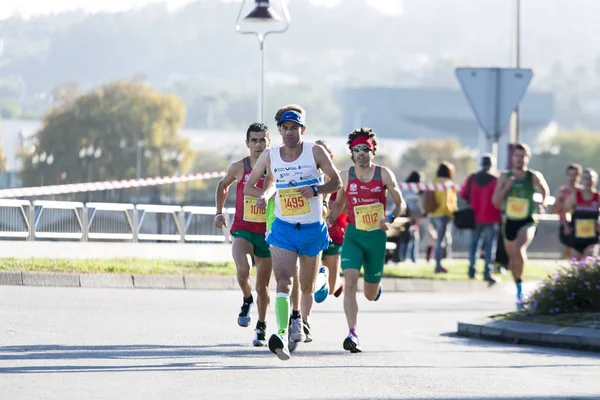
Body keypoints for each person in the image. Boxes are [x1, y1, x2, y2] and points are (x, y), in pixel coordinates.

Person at [244, 107, 342, 360]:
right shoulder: (270, 156)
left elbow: (337, 182)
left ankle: (323, 275)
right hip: (284, 228)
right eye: (285, 128)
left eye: (294, 127)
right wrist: (266, 194)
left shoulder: (315, 151)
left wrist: (316, 189)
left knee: (307, 288)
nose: (289, 132)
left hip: (310, 229)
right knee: (284, 281)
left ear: (303, 129)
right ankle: (281, 334)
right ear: (279, 130)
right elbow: (248, 187)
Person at [327, 127, 405, 353]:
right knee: (350, 281)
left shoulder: (384, 175)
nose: (361, 153)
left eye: (365, 149)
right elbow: (339, 204)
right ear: (351, 153)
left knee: (370, 295)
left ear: (372, 152)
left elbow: (401, 204)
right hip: (353, 235)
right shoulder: (345, 177)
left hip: (376, 238)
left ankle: (375, 287)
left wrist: (389, 217)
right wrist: (330, 219)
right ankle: (353, 333)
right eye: (357, 149)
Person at [214, 122, 272, 347]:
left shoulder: (275, 168)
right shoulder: (239, 167)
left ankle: (261, 326)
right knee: (243, 269)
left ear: (269, 142)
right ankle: (247, 298)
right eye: (254, 140)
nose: (258, 145)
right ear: (247, 143)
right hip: (243, 229)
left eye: (262, 140)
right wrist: (219, 213)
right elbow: (222, 185)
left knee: (263, 286)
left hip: (267, 233)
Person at [492, 143, 549, 310]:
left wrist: (543, 203)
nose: (519, 159)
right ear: (513, 158)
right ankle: (518, 287)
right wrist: (507, 187)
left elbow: (545, 190)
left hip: (527, 220)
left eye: (523, 156)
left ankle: (521, 292)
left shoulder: (533, 176)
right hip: (509, 221)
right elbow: (495, 201)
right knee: (512, 260)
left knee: (519, 248)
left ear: (527, 158)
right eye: (517, 156)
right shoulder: (504, 176)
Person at [461, 154, 502, 285]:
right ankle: (487, 272)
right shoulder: (496, 180)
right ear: (491, 165)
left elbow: (463, 194)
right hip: (492, 216)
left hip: (475, 216)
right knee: (490, 246)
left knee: (474, 244)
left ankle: (471, 270)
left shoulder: (472, 178)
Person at [315, 139, 346, 299]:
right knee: (313, 276)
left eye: (325, 153)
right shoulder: (307, 176)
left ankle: (337, 282)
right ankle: (321, 276)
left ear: (331, 157)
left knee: (332, 288)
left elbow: (348, 207)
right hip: (313, 231)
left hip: (335, 233)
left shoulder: (340, 179)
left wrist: (334, 205)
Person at [428, 162, 458, 273]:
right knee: (440, 241)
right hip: (443, 215)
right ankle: (438, 266)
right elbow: (448, 202)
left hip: (432, 214)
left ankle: (438, 263)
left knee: (438, 240)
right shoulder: (448, 183)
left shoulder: (433, 182)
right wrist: (453, 213)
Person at [563, 168, 599, 260]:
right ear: (582, 180)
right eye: (585, 178)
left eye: (590, 178)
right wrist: (566, 225)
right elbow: (566, 211)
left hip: (592, 239)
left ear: (595, 180)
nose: (588, 181)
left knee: (588, 260)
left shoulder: (597, 197)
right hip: (577, 238)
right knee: (575, 265)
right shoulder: (575, 196)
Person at [550, 164, 582, 259]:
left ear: (579, 177)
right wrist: (559, 204)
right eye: (570, 175)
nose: (572, 178)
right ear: (567, 176)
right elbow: (551, 211)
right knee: (569, 254)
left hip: (581, 225)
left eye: (575, 175)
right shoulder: (561, 192)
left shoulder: (582, 192)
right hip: (566, 226)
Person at [399, 170, 424, 263]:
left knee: (412, 236)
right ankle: (407, 258)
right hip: (407, 215)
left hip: (410, 216)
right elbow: (410, 200)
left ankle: (410, 258)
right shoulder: (408, 189)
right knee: (409, 237)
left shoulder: (407, 187)